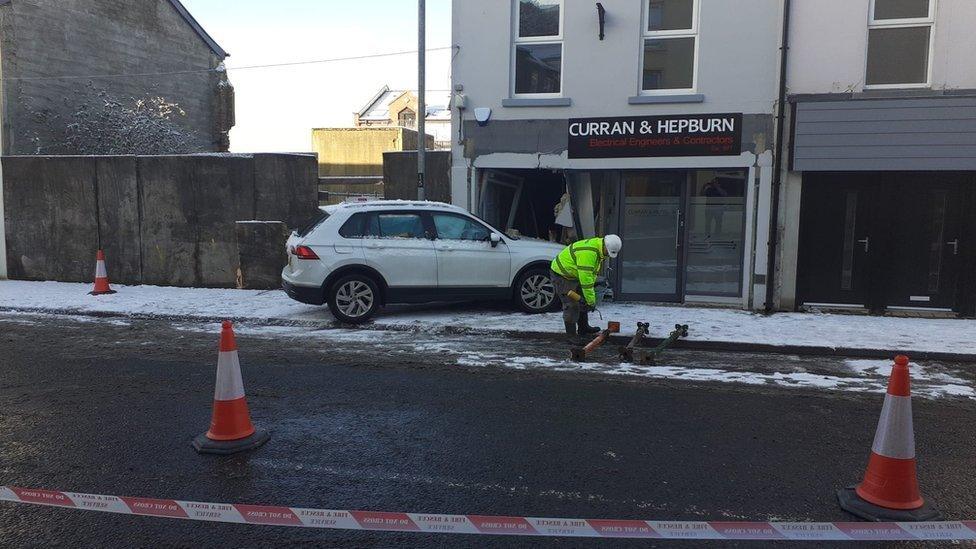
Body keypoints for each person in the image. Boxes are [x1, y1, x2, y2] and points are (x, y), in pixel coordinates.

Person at [550, 235, 623, 342]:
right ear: (605, 246)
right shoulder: (589, 253)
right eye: (608, 252)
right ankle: (571, 336)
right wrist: (591, 301)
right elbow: (586, 281)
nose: (608, 255)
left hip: (574, 274)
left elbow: (590, 275)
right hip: (561, 275)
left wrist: (588, 299)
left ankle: (583, 327)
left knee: (583, 300)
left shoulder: (598, 248)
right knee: (571, 304)